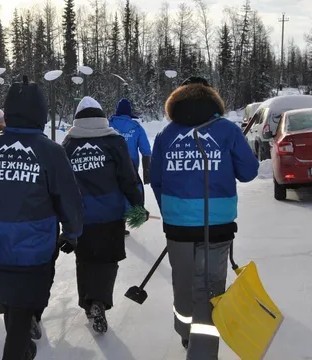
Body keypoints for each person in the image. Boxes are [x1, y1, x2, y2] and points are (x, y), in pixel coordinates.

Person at [0, 77, 83, 360]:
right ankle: (18, 350)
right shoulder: (51, 151)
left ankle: (23, 346)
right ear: (41, 113)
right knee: (25, 304)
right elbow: (68, 199)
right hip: (36, 247)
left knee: (13, 301)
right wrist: (72, 233)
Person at [149, 76, 259, 360]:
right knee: (209, 289)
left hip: (178, 228)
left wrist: (172, 213)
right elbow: (248, 172)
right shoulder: (226, 131)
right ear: (212, 101)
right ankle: (203, 352)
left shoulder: (165, 136)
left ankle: (186, 333)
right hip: (217, 226)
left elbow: (156, 179)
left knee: (183, 282)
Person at [61, 97, 147, 334]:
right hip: (110, 213)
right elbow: (129, 178)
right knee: (108, 260)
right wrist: (138, 205)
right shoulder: (115, 142)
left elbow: (61, 185)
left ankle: (88, 304)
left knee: (85, 259)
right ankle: (100, 300)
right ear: (101, 117)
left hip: (80, 216)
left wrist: (63, 218)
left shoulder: (67, 146)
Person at [109, 98, 152, 234]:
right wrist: (146, 174)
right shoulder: (136, 128)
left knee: (113, 192)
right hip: (130, 167)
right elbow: (146, 150)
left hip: (110, 165)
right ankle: (126, 219)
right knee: (129, 191)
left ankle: (114, 222)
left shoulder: (108, 125)